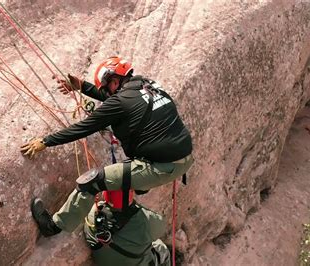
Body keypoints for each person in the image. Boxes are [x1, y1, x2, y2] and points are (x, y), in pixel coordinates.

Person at [22, 56, 193, 263]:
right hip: (181, 159)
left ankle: (54, 226)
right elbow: (113, 99)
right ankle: (138, 187)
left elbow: (84, 127)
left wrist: (46, 141)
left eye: (106, 86)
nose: (106, 90)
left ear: (114, 80)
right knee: (121, 179)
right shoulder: (148, 86)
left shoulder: (121, 101)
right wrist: (82, 87)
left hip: (159, 167)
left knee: (93, 181)